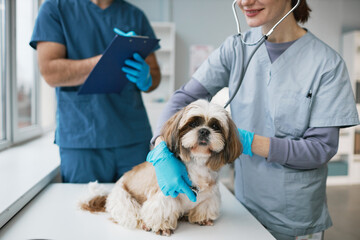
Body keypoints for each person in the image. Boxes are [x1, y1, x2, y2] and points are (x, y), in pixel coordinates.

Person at [146, 0, 359, 239]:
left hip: (293, 216)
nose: (245, 2)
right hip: (244, 206)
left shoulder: (327, 64)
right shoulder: (237, 48)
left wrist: (244, 141)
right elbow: (185, 97)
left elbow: (320, 149)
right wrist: (161, 146)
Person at [30, 0, 161, 183]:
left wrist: (146, 78)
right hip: (82, 140)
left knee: (139, 207)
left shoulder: (135, 15)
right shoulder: (55, 9)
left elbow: (154, 75)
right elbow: (51, 71)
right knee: (85, 207)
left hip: (132, 138)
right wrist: (109, 59)